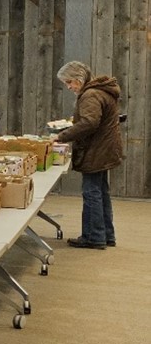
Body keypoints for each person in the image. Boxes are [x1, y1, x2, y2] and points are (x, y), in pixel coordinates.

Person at [54, 61, 123, 249]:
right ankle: (106, 234)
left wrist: (62, 136)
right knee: (101, 192)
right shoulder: (102, 91)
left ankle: (94, 237)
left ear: (79, 79)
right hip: (106, 148)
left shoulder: (90, 95)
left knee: (91, 193)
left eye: (69, 82)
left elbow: (89, 123)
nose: (68, 87)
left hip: (96, 150)